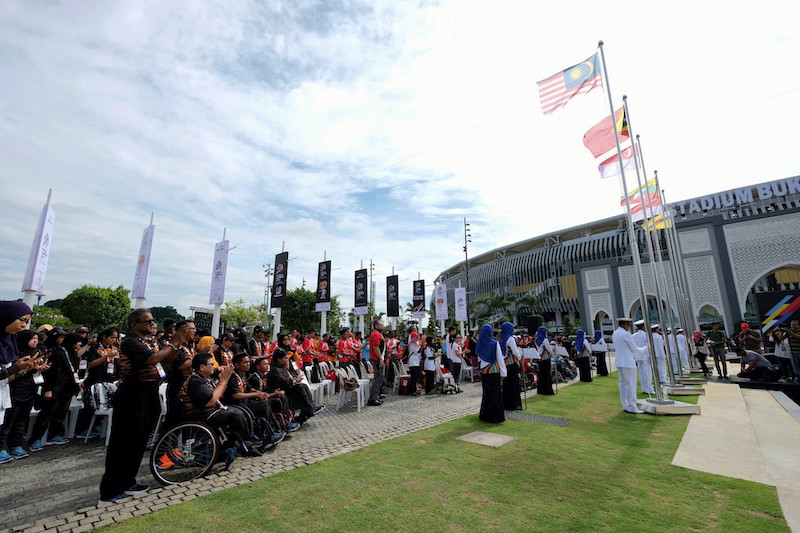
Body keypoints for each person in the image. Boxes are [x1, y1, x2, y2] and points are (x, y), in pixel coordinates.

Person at [98, 308, 194, 505]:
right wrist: (175, 342)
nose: (152, 324)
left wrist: (176, 345)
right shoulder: (131, 342)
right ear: (134, 324)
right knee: (123, 444)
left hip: (149, 393)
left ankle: (128, 482)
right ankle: (109, 491)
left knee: (138, 442)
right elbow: (152, 359)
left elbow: (165, 359)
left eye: (153, 320)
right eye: (147, 321)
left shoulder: (150, 342)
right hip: (133, 395)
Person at [180, 352, 261, 457]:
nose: (214, 367)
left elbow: (218, 394)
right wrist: (223, 381)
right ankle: (243, 446)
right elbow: (211, 401)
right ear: (202, 367)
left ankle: (241, 444)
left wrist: (225, 380)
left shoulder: (204, 378)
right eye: (212, 364)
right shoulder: (195, 381)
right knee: (237, 414)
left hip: (209, 410)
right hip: (200, 414)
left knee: (239, 412)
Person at [29, 329, 80, 449]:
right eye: (60, 337)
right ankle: (35, 439)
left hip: (66, 386)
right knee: (47, 413)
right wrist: (49, 389)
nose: (63, 340)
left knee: (61, 412)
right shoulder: (48, 350)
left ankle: (54, 435)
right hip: (54, 386)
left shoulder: (67, 350)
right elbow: (50, 372)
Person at [0, 329, 46, 462]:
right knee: (7, 422)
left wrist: (36, 369)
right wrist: (25, 370)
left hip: (30, 391)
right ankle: (3, 447)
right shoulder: (14, 355)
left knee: (21, 421)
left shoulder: (36, 354)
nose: (35, 341)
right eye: (32, 338)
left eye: (37, 338)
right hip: (15, 392)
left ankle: (16, 445)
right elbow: (10, 376)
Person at [0, 302, 36, 426]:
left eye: (26, 322)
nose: (23, 326)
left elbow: (8, 377)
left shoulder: (10, 341)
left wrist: (24, 368)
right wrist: (15, 368)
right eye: (21, 320)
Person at [266, 349, 318, 425]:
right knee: (299, 387)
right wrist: (297, 379)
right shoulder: (275, 370)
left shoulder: (283, 368)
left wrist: (295, 379)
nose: (287, 360)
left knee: (303, 386)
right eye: (285, 358)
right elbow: (286, 382)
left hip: (288, 389)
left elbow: (291, 378)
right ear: (279, 359)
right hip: (282, 391)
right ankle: (308, 409)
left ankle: (309, 407)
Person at [612, 317, 648, 414]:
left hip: (620, 361)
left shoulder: (615, 333)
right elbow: (635, 349)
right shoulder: (625, 334)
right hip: (627, 362)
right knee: (631, 384)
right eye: (628, 325)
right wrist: (646, 348)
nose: (629, 327)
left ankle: (626, 404)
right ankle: (632, 405)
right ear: (624, 324)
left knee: (623, 384)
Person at [476, 324, 506, 423]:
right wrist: (503, 373)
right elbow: (500, 358)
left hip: (484, 371)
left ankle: (485, 415)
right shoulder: (494, 343)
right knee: (496, 394)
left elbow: (479, 358)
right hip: (494, 370)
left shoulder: (479, 343)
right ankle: (496, 416)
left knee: (486, 394)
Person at [499, 322, 522, 409]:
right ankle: (514, 404)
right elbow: (515, 352)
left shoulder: (502, 339)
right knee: (513, 384)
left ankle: (506, 403)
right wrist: (519, 358)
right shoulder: (510, 339)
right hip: (512, 363)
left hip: (505, 363)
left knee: (506, 384)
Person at [632, 321, 655, 394]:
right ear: (643, 327)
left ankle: (644, 388)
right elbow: (649, 347)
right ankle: (649, 389)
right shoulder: (646, 335)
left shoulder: (633, 335)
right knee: (648, 374)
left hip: (638, 357)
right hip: (645, 357)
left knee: (642, 374)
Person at [367, 319, 386, 406]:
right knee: (378, 379)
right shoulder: (375, 334)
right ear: (376, 326)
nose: (382, 326)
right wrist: (381, 359)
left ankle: (376, 396)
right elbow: (375, 347)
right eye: (380, 325)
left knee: (379, 378)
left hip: (378, 359)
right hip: (377, 360)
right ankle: (373, 398)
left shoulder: (378, 334)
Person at [534, 326, 554, 395]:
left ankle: (541, 390)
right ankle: (548, 390)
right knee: (547, 374)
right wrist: (554, 355)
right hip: (545, 358)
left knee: (541, 374)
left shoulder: (536, 339)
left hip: (540, 358)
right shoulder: (545, 339)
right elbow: (549, 349)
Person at [407, 332, 422, 396]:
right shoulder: (411, 345)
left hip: (416, 362)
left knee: (416, 377)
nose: (417, 338)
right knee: (413, 377)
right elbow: (418, 351)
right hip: (412, 362)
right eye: (416, 337)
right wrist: (423, 346)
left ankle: (415, 389)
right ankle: (412, 391)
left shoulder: (416, 344)